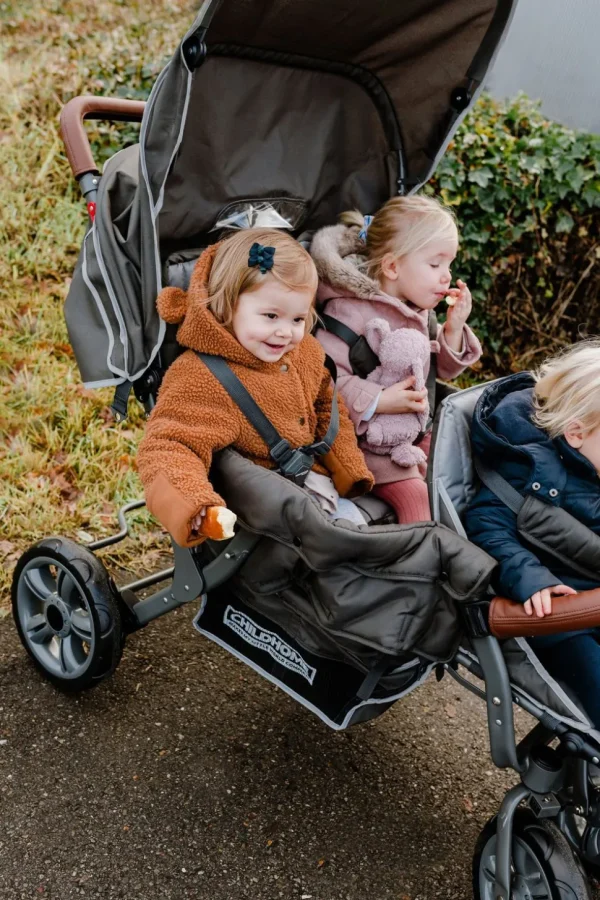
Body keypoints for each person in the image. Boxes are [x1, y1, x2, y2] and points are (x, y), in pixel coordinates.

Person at [137, 228, 374, 548]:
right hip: (266, 523)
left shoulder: (304, 352)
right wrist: (195, 506)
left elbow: (326, 401)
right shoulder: (202, 378)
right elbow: (170, 446)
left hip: (320, 494)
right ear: (227, 305)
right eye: (271, 316)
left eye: (297, 319)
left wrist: (347, 465)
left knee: (365, 545)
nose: (285, 333)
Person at [311, 195, 482, 524]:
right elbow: (324, 384)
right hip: (369, 446)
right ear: (392, 266)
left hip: (416, 433)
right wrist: (378, 400)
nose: (446, 276)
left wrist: (454, 329)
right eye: (435, 265)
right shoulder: (347, 313)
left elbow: (440, 372)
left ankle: (467, 546)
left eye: (448, 264)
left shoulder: (421, 311)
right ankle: (418, 566)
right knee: (417, 497)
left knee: (465, 464)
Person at [465, 340, 600, 727]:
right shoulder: (534, 471)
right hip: (561, 617)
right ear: (576, 434)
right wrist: (530, 577)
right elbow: (487, 523)